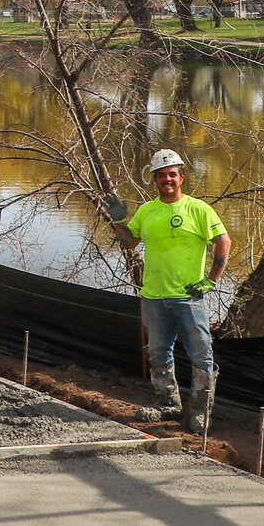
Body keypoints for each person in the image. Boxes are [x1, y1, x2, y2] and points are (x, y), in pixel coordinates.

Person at [109, 148, 230, 436]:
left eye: (172, 175)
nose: (167, 180)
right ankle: (168, 404)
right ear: (155, 179)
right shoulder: (148, 211)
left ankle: (200, 413)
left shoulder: (198, 209)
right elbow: (130, 243)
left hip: (189, 298)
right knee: (159, 352)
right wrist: (118, 221)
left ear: (182, 178)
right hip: (153, 297)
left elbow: (223, 241)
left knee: (202, 355)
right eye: (162, 175)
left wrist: (211, 279)